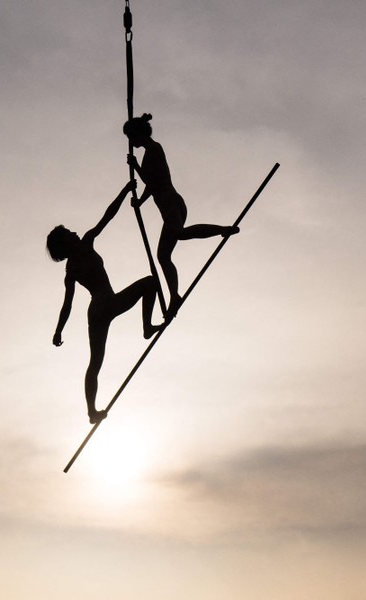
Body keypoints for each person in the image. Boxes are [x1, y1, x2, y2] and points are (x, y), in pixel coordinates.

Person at [48, 180, 163, 424]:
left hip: (96, 311)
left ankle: (91, 411)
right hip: (107, 302)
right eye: (68, 233)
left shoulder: (71, 269)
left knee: (95, 364)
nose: (74, 232)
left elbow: (68, 305)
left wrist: (59, 330)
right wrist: (126, 190)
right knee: (151, 282)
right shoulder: (85, 245)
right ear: (65, 243)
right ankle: (146, 327)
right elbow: (108, 215)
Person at [124, 113, 239, 319]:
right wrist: (140, 201)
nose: (130, 142)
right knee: (163, 256)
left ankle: (222, 229)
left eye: (130, 137)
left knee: (179, 233)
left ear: (138, 134)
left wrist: (136, 167)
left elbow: (152, 181)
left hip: (171, 201)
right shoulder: (150, 151)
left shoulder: (153, 149)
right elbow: (151, 184)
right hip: (169, 204)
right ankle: (174, 296)